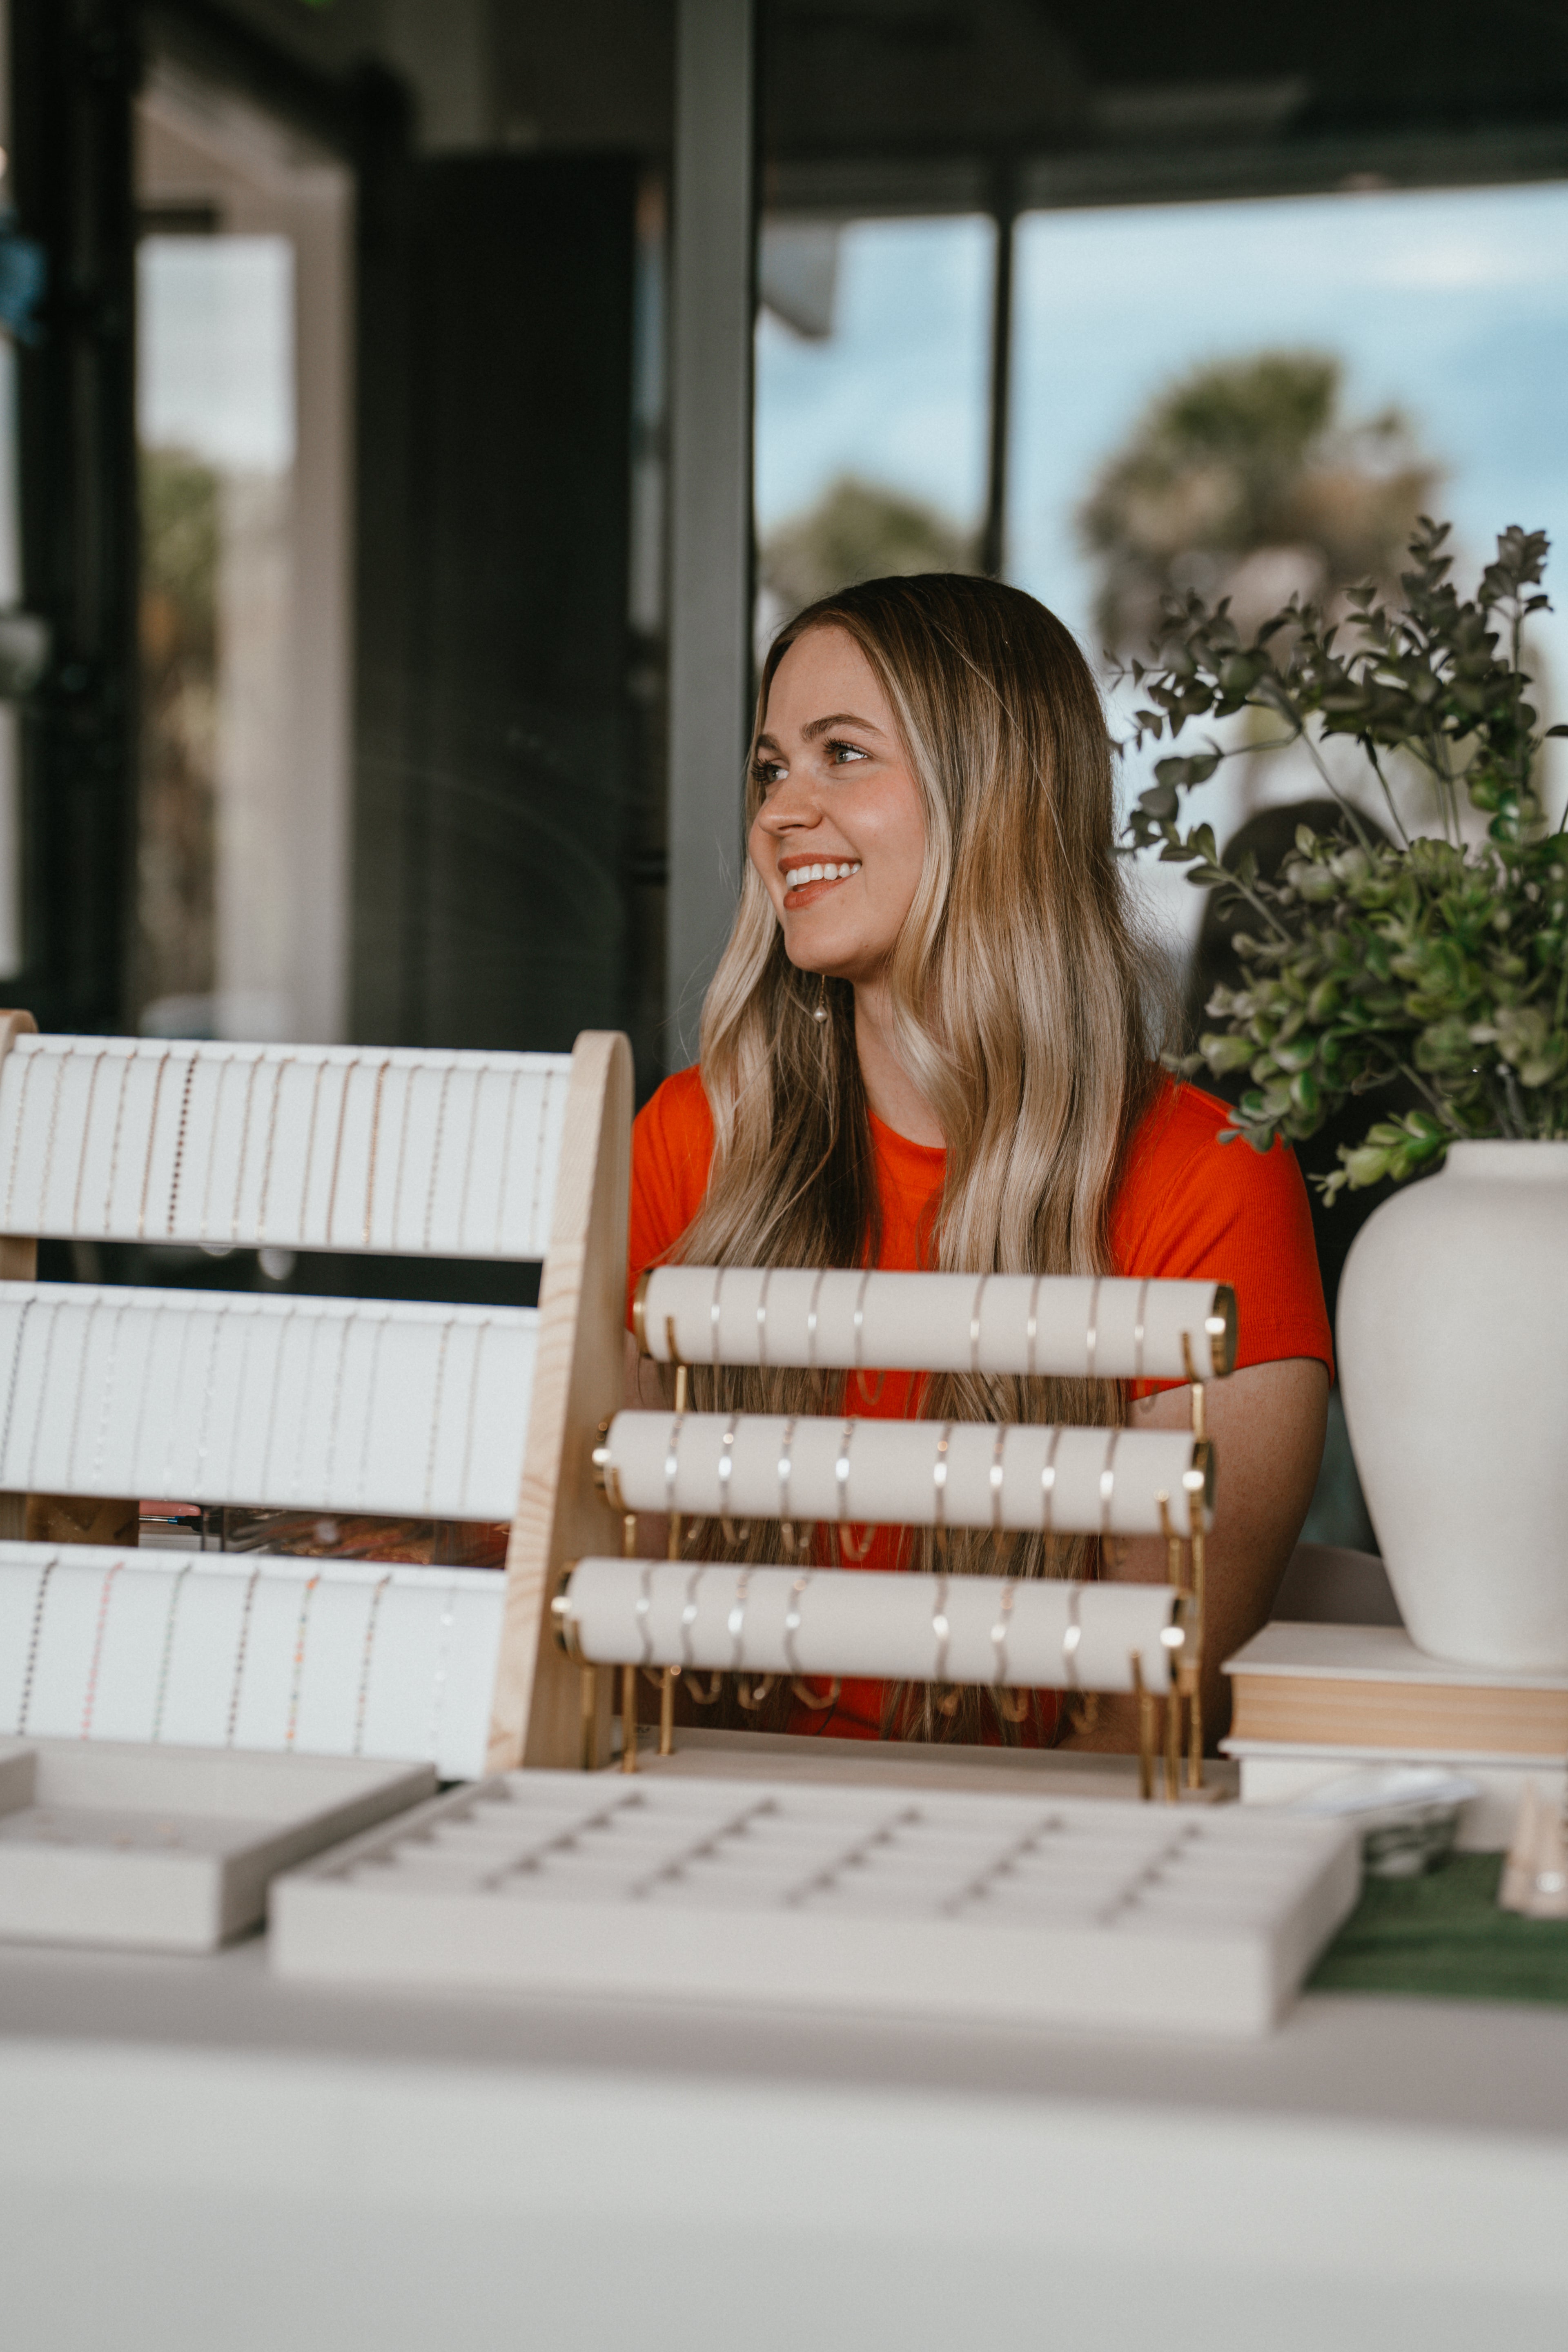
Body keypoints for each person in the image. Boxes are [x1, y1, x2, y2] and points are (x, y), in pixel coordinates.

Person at [628, 574, 1330, 1750]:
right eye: (769, 769)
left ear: (997, 795)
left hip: (1040, 1874)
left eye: (841, 754)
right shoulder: (693, 1143)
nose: (779, 814)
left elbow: (1138, 1735)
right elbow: (623, 1667)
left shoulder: (1207, 1181)